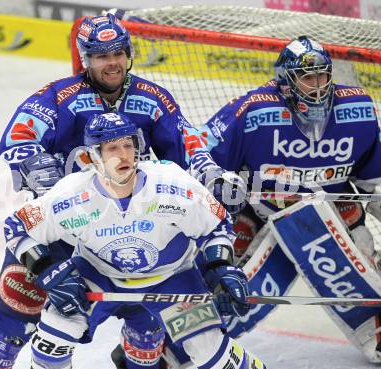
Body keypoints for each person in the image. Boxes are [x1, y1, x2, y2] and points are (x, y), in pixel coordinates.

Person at [0, 13, 246, 369]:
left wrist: (210, 173)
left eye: (117, 53)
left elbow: (187, 143)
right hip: (62, 228)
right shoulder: (58, 97)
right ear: (85, 59)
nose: (111, 62)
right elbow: (18, 136)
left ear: (128, 53)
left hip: (131, 228)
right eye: (101, 55)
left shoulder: (153, 97)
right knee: (11, 324)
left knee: (146, 330)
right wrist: (36, 164)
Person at [154, 35, 381, 367]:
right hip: (262, 210)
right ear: (286, 82)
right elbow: (198, 151)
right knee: (218, 271)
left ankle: (373, 327)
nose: (317, 87)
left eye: (323, 76)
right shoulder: (254, 111)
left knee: (363, 253)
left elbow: (374, 181)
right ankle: (167, 341)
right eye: (307, 77)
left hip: (334, 209)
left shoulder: (358, 110)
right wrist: (208, 192)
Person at [3, 112, 266, 369]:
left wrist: (222, 268)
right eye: (113, 147)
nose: (124, 154)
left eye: (128, 144)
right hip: (98, 273)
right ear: (92, 156)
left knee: (210, 352)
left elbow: (216, 224)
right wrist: (47, 270)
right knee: (52, 339)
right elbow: (16, 227)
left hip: (172, 276)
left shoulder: (171, 183)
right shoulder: (71, 195)